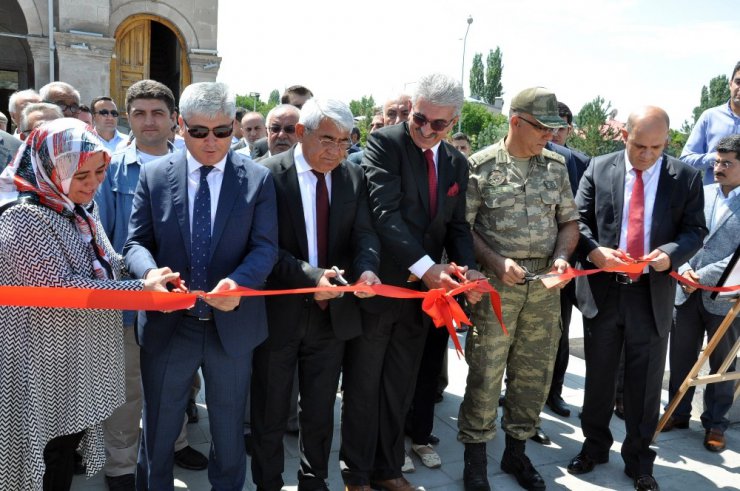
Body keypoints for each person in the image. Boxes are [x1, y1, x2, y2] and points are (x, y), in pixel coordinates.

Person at [0, 118, 176, 491]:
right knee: (43, 453)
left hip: (73, 361)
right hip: (39, 363)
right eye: (82, 176)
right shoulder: (23, 218)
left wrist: (151, 275)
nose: (94, 184)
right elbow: (61, 290)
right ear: (51, 168)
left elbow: (110, 261)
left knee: (64, 448)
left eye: (100, 172)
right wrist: (142, 290)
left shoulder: (79, 209)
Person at [123, 81, 278, 490]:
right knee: (157, 433)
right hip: (170, 325)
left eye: (223, 131)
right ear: (180, 125)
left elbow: (265, 249)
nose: (211, 142)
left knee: (229, 438)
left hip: (232, 326)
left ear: (234, 126)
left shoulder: (257, 179)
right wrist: (149, 274)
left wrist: (240, 283)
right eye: (199, 132)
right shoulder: (156, 175)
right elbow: (136, 242)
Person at [341, 73, 484, 491]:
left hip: (423, 300)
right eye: (420, 118)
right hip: (381, 288)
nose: (424, 129)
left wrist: (466, 267)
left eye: (437, 125)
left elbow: (457, 227)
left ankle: (387, 469)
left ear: (454, 122)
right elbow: (385, 215)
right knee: (364, 387)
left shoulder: (457, 163)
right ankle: (357, 474)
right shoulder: (386, 143)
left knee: (399, 389)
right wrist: (428, 269)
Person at [568, 106, 706, 491]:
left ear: (667, 142)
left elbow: (695, 229)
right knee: (599, 377)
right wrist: (594, 252)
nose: (646, 155)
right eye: (638, 145)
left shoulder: (686, 178)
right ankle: (594, 447)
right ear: (624, 136)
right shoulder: (599, 168)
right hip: (605, 291)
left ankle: (640, 460)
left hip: (651, 293)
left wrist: (670, 254)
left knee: (644, 385)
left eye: (656, 147)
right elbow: (578, 221)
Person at [251, 98, 381, 491]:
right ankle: (268, 483)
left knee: (321, 410)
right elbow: (263, 247)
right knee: (270, 411)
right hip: (279, 313)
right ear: (302, 133)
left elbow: (365, 235)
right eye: (328, 140)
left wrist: (369, 267)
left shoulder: (352, 177)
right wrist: (314, 275)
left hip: (331, 316)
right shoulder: (265, 175)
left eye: (345, 142)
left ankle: (314, 480)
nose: (337, 151)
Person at [458, 87, 578, 491]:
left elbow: (569, 222)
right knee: (486, 373)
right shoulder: (480, 166)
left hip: (544, 288)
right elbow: (465, 229)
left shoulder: (557, 167)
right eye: (543, 127)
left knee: (534, 375)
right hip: (496, 288)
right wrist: (494, 262)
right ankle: (475, 459)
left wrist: (562, 256)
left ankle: (516, 452)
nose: (550, 135)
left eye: (554, 128)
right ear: (516, 122)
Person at [95, 79, 208, 490]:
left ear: (173, 119)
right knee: (127, 388)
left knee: (174, 380)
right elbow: (103, 238)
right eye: (139, 113)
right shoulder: (108, 168)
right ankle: (122, 465)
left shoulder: (192, 162)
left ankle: (174, 443)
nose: (149, 121)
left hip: (181, 301)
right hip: (129, 300)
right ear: (128, 117)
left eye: (157, 112)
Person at [665, 134, 740, 453]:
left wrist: (704, 276)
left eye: (727, 163)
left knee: (723, 364)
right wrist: (683, 271)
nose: (718, 167)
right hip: (685, 290)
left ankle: (715, 424)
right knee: (680, 354)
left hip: (723, 296)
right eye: (717, 161)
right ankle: (678, 412)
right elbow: (682, 234)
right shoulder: (702, 192)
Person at [681, 61, 740, 184]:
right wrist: (716, 158)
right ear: (730, 84)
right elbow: (685, 161)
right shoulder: (710, 117)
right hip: (714, 200)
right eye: (738, 82)